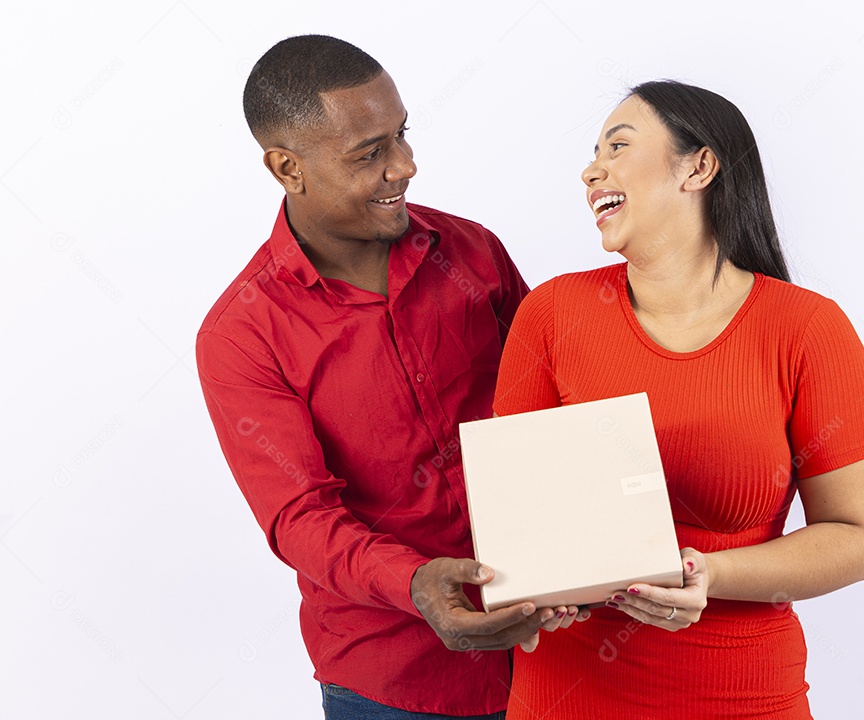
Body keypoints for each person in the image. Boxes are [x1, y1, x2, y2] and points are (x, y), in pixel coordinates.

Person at [195, 35, 581, 720]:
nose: (405, 165)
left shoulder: (473, 252)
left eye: (401, 135)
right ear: (288, 168)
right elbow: (299, 518)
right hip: (390, 681)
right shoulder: (242, 333)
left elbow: (558, 413)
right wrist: (414, 584)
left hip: (557, 649)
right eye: (369, 153)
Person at [493, 80, 864, 718]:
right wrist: (536, 589)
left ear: (699, 166)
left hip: (744, 693)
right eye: (594, 152)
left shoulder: (807, 328)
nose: (591, 169)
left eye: (617, 146)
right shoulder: (551, 314)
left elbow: (856, 537)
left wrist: (710, 574)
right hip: (569, 695)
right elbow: (519, 522)